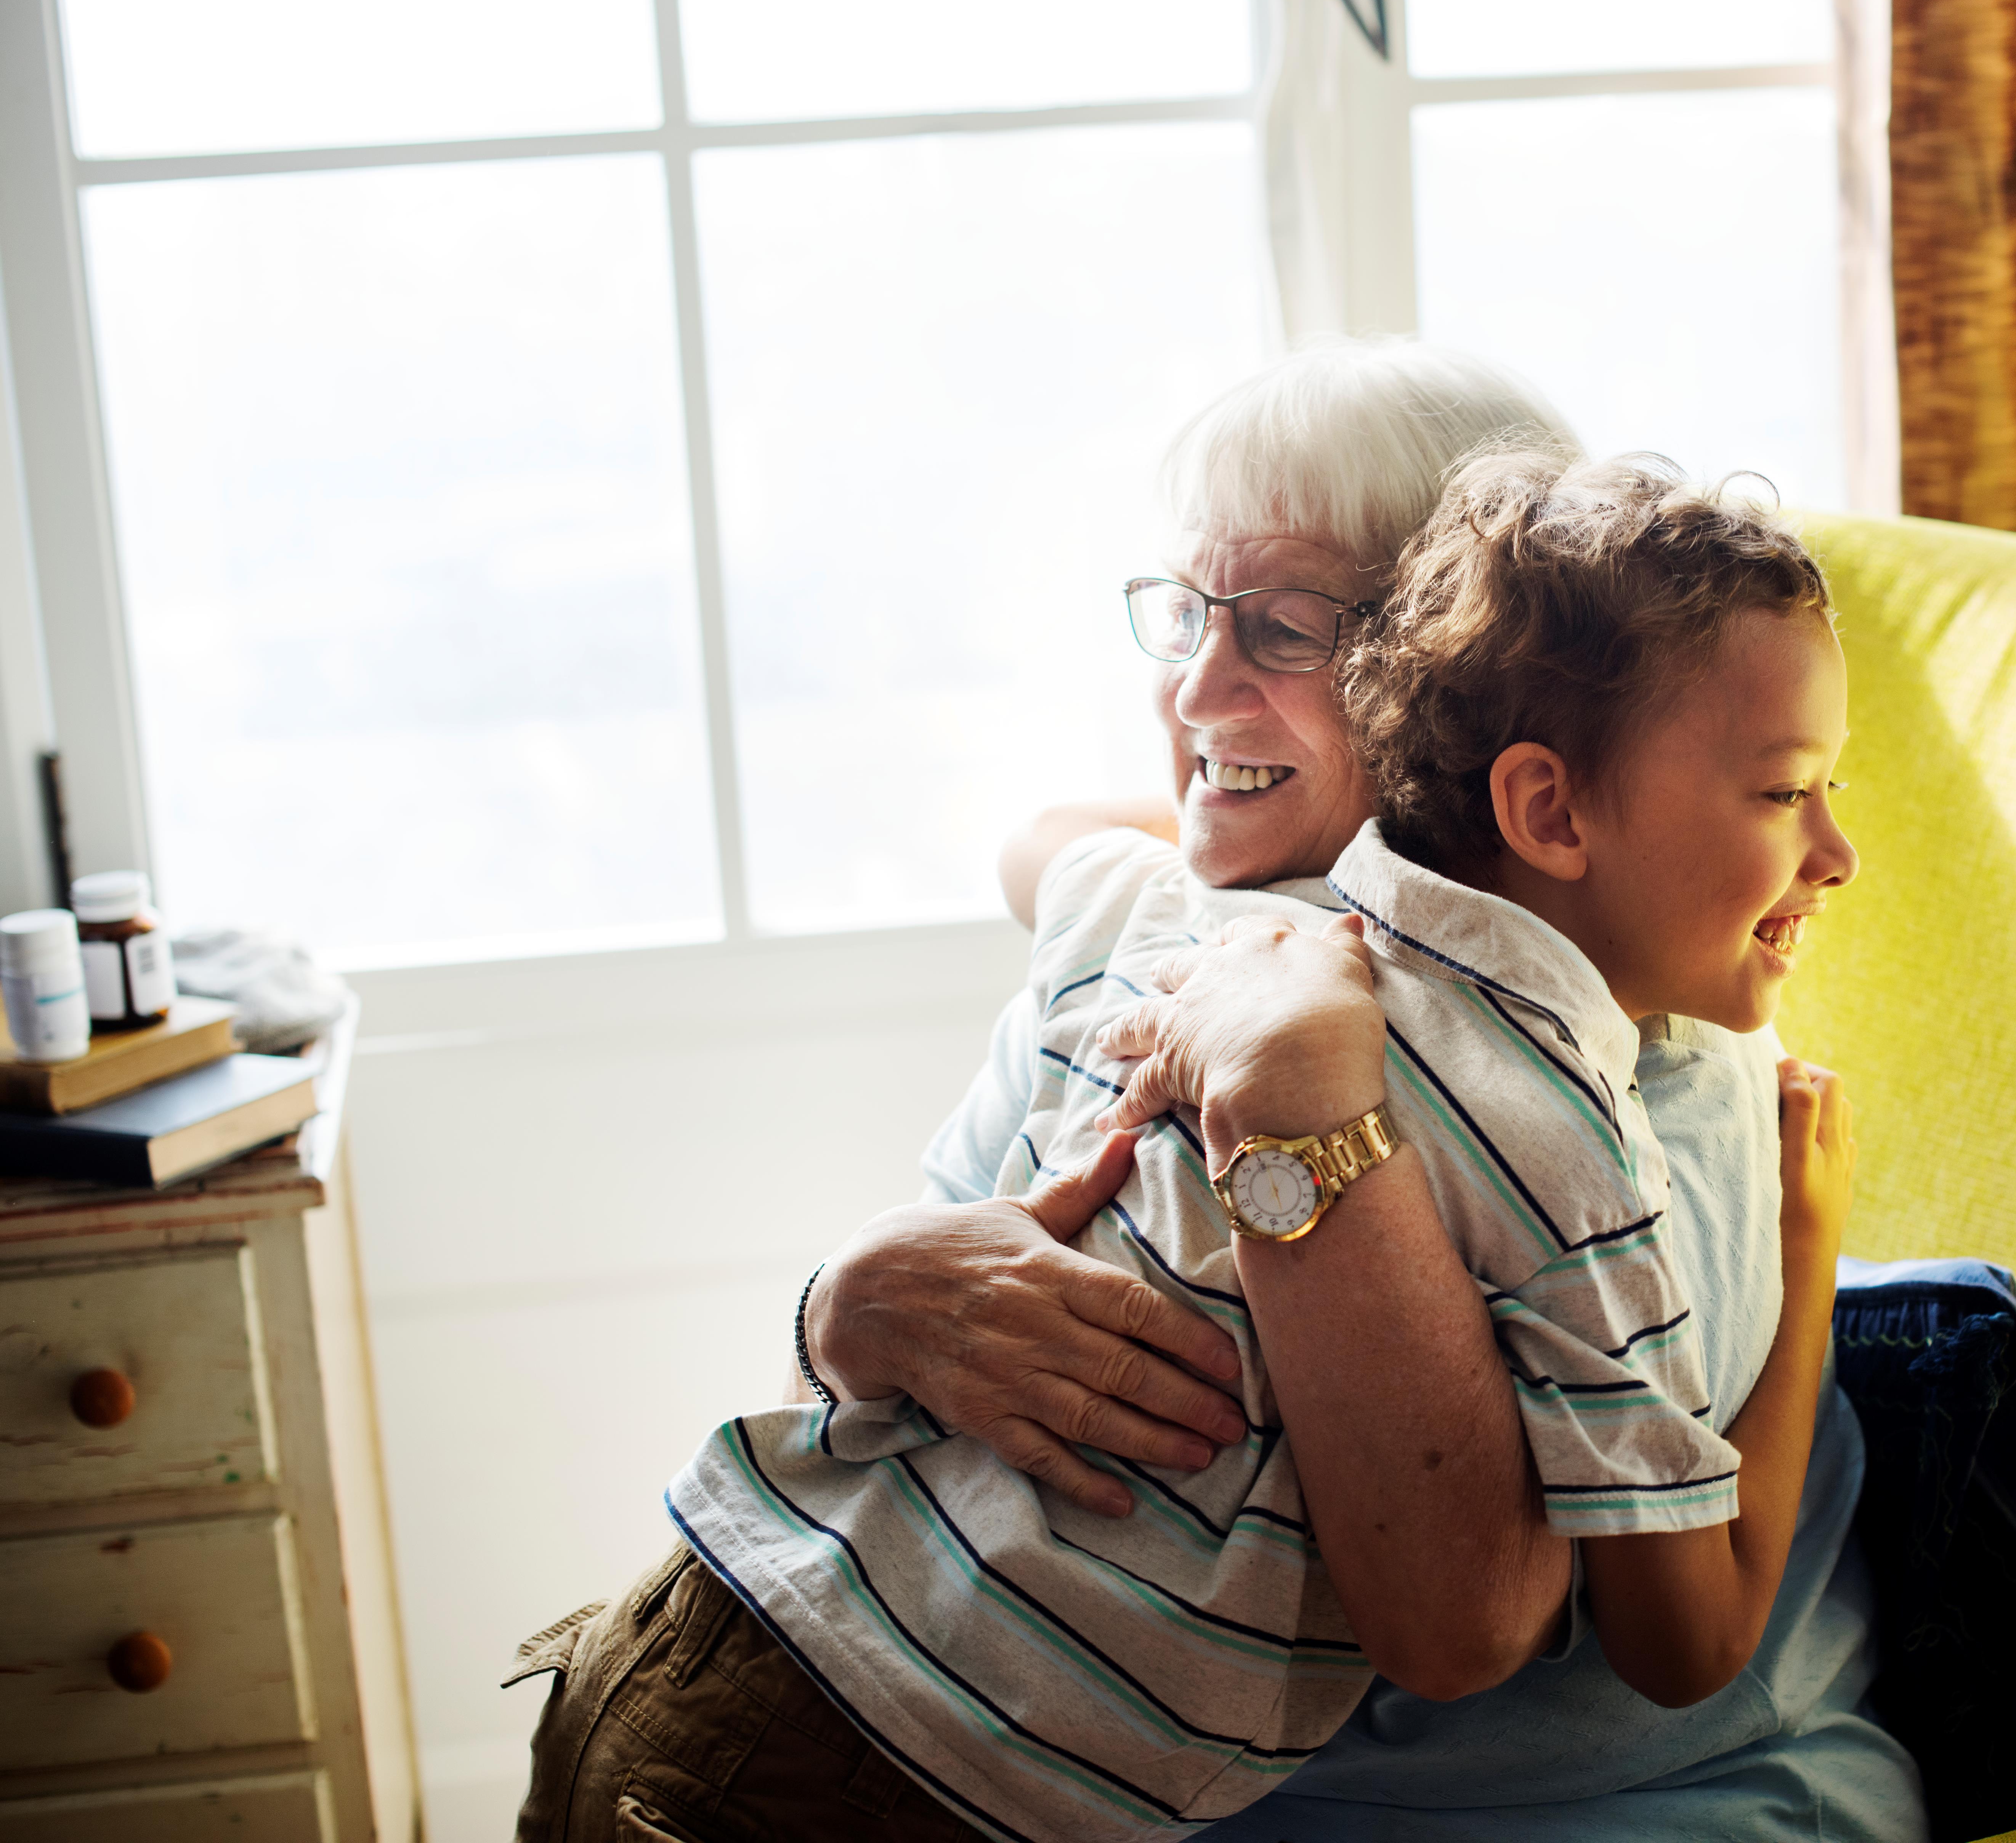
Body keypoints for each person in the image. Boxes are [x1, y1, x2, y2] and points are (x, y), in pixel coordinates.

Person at [512, 342, 1925, 1843]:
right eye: (1184, 609)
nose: (1192, 684)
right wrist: (848, 1298)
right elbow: (886, 1409)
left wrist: (1297, 1118)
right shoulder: (1156, 925)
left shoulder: (1634, 1098)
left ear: (1451, 672)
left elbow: (1495, 1636)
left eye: (1285, 627)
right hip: (803, 1677)